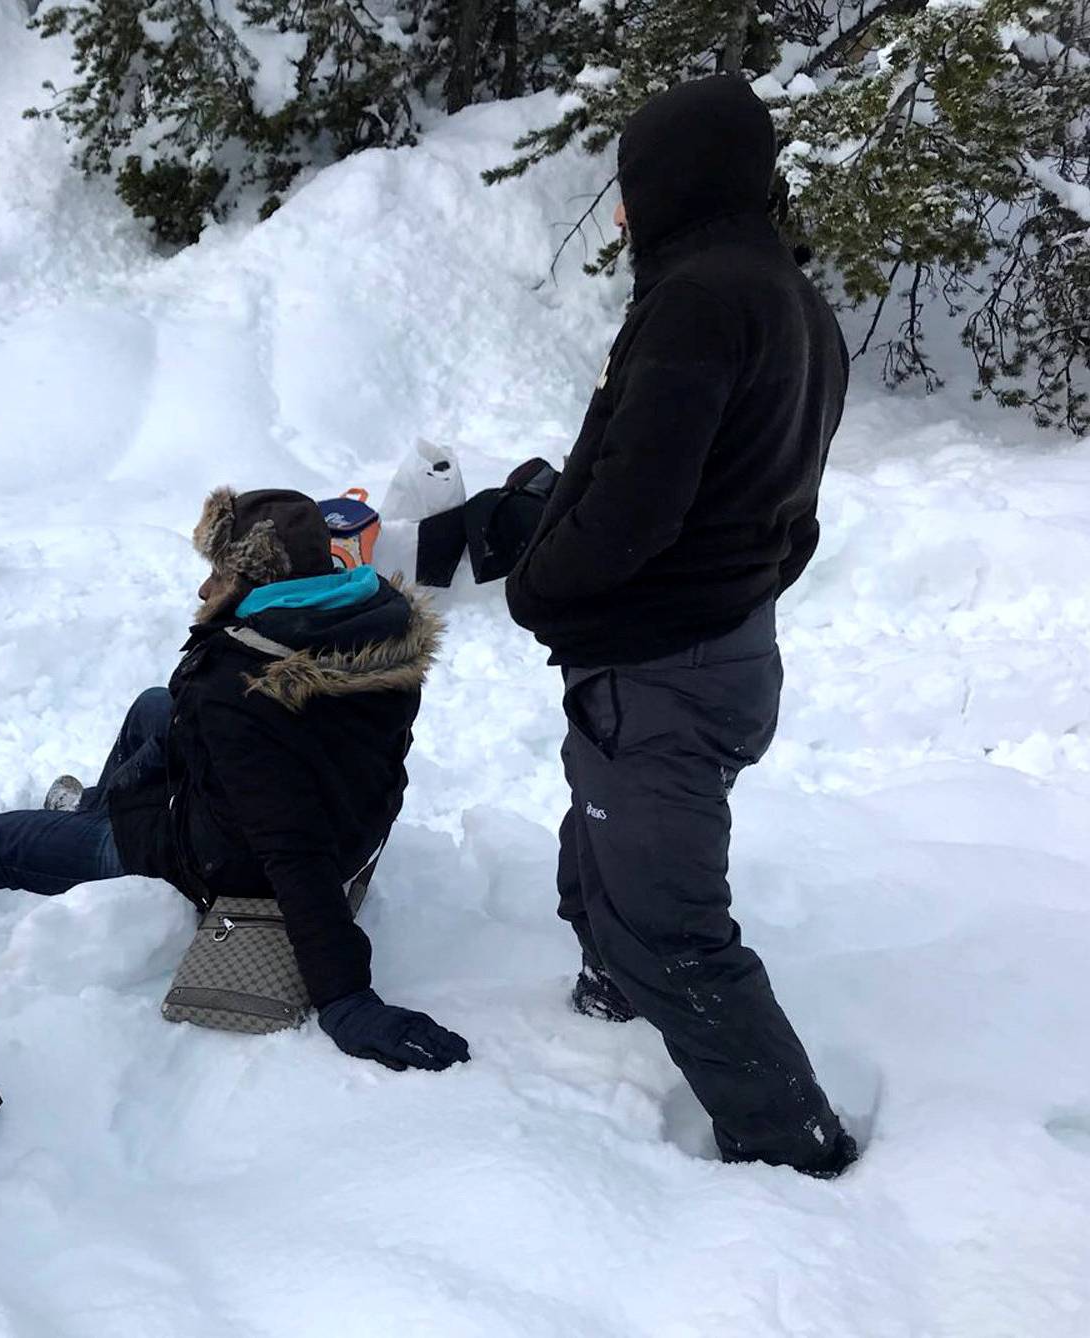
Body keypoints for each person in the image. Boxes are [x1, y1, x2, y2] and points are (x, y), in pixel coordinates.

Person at [504, 75, 856, 1177]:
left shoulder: (701, 300)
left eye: (631, 186)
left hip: (666, 669)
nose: (620, 211)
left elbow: (633, 504)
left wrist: (539, 589)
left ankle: (793, 1148)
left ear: (673, 184)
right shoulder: (789, 299)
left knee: (673, 924)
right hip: (720, 651)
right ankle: (608, 985)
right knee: (593, 841)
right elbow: (784, 503)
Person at [0, 489, 469, 1073]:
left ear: (258, 582)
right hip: (336, 810)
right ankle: (93, 814)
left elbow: (293, 850)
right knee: (156, 706)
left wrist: (346, 999)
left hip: (226, 857)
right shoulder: (370, 628)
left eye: (220, 576)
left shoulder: (243, 685)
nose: (206, 590)